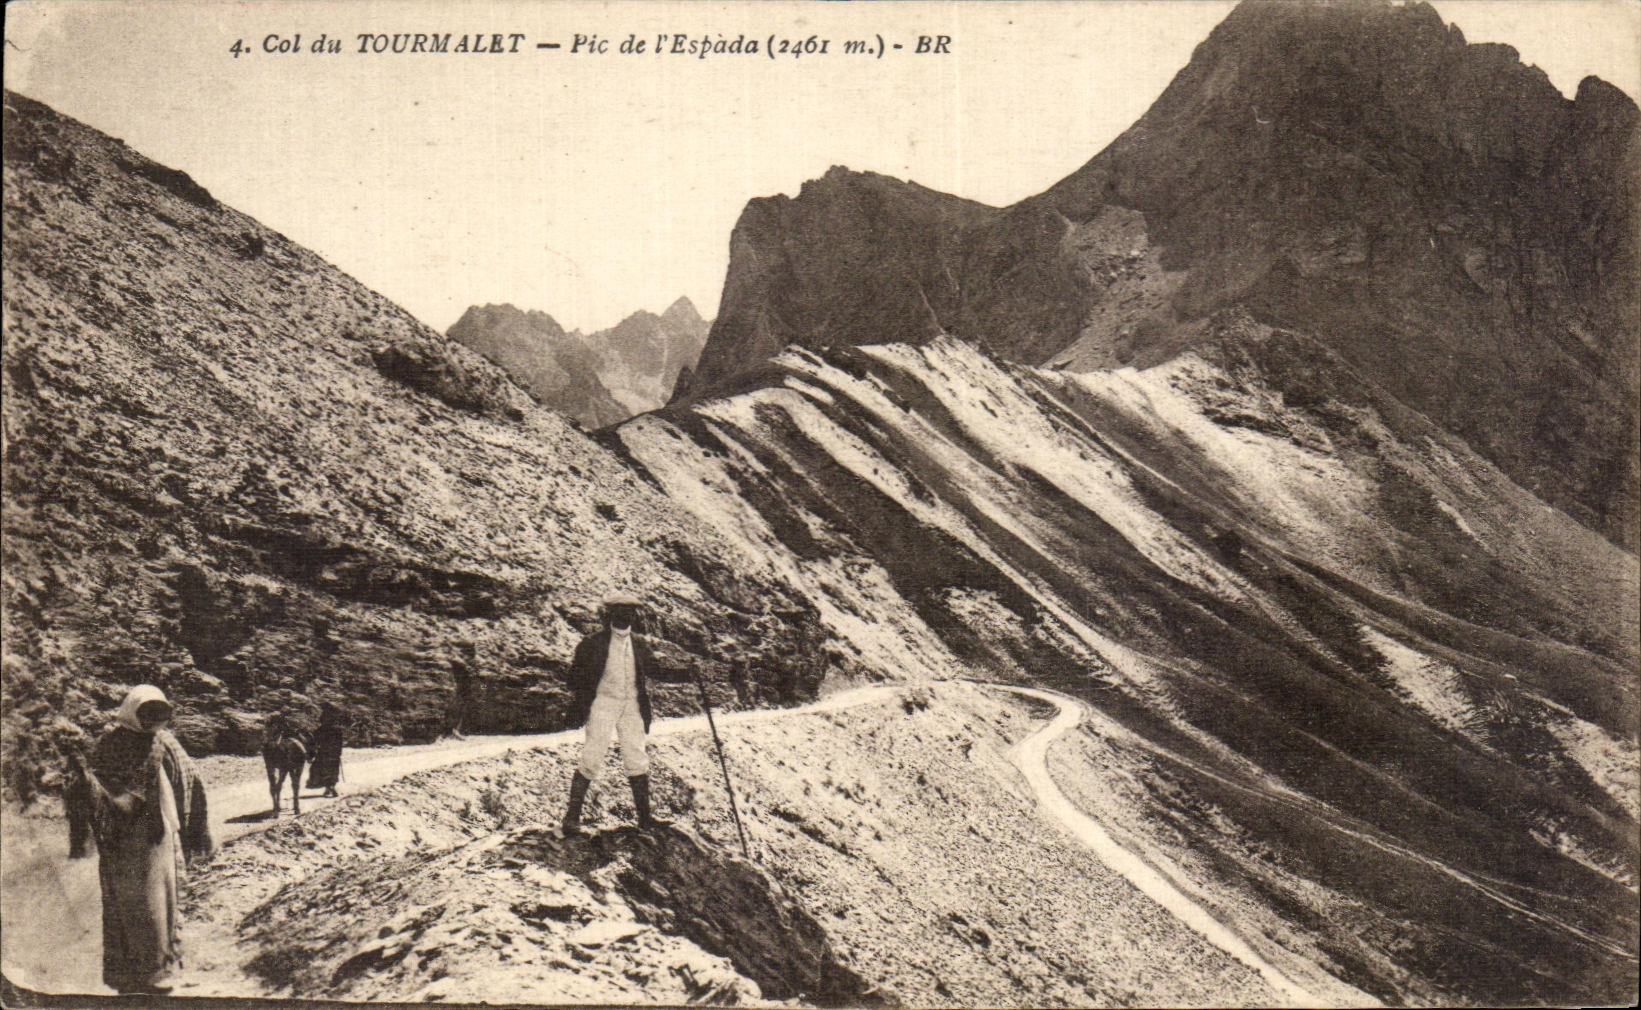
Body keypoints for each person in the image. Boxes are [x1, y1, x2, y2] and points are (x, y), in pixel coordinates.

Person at [67, 685, 214, 995]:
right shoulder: (112, 743)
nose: (152, 720)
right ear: (131, 712)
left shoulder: (164, 741)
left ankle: (158, 972)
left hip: (159, 837)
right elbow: (94, 789)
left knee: (162, 904)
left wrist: (193, 827)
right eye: (146, 713)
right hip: (123, 842)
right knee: (128, 907)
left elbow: (190, 776)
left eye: (158, 714)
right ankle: (129, 975)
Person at [560, 593, 692, 834]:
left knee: (637, 757)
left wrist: (688, 673)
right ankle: (571, 818)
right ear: (610, 614)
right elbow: (574, 678)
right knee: (592, 755)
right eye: (620, 611)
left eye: (631, 612)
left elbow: (657, 671)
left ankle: (645, 819)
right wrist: (584, 697)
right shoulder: (593, 643)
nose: (626, 616)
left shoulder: (639, 644)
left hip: (632, 705)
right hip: (602, 704)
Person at [306, 706, 346, 798]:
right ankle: (330, 787)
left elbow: (313, 743)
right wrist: (338, 753)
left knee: (320, 770)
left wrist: (310, 755)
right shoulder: (337, 730)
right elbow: (340, 743)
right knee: (332, 770)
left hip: (323, 753)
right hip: (334, 754)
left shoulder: (320, 730)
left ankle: (329, 788)